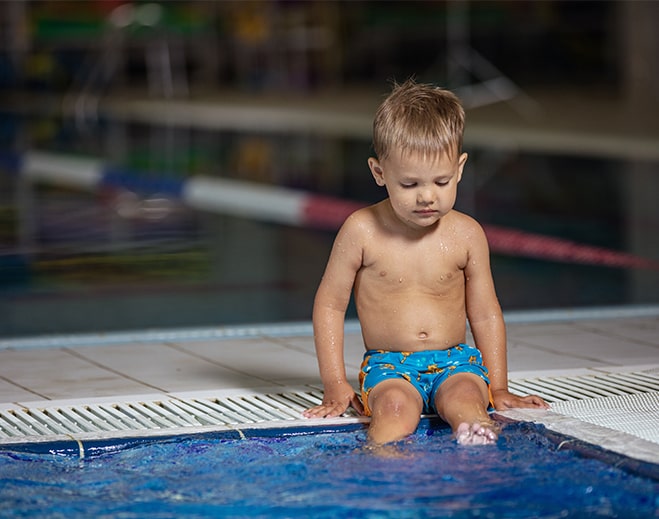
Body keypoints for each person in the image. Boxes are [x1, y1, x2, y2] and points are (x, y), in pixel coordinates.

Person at [302, 79, 549, 446]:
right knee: (395, 411)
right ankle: (385, 459)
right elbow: (330, 304)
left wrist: (498, 386)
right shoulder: (361, 231)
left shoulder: (467, 234)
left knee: (466, 400)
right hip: (389, 368)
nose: (427, 197)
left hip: (457, 362)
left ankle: (476, 438)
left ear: (460, 168)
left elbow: (484, 312)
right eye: (409, 184)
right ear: (379, 172)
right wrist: (335, 382)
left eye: (441, 181)